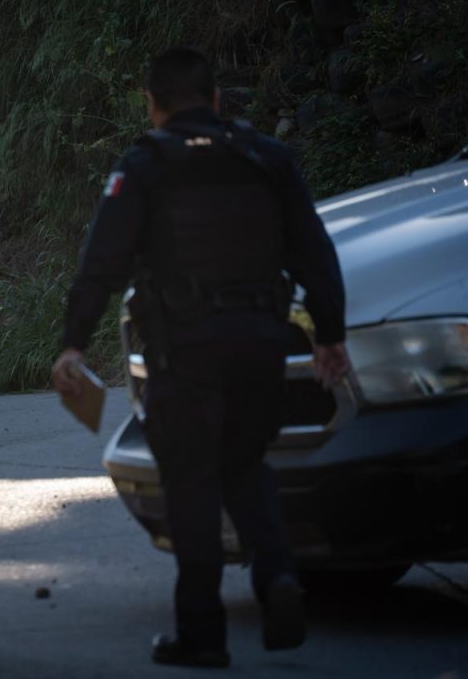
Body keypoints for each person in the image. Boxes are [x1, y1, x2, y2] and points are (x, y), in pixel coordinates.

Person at [52, 47, 349, 668]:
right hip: (262, 345)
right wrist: (330, 336)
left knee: (190, 484)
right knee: (245, 467)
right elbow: (316, 253)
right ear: (216, 100)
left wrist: (73, 342)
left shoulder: (146, 165)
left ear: (153, 106)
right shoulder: (267, 157)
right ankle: (278, 578)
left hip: (185, 352)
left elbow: (100, 264)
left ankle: (203, 633)